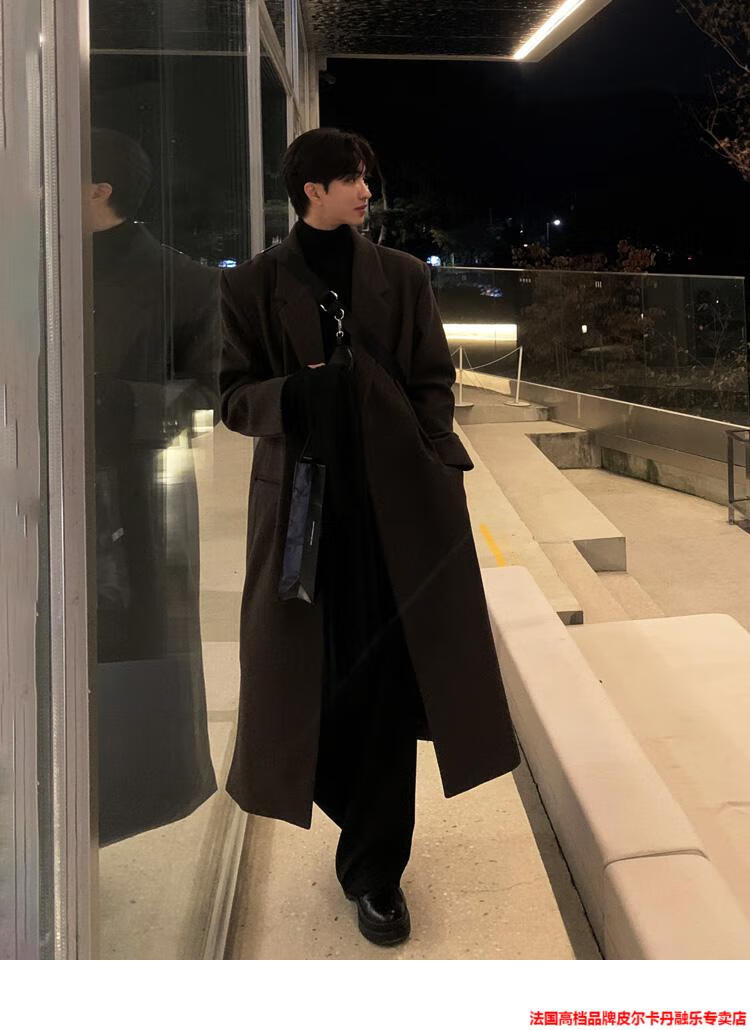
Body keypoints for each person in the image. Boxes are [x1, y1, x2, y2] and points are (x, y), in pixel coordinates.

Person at [219, 127, 520, 947]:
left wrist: (426, 451)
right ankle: (359, 821)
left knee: (387, 684)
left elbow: (434, 380)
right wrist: (297, 395)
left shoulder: (402, 276)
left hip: (400, 516)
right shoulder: (251, 284)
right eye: (350, 178)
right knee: (309, 686)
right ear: (310, 190)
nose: (364, 191)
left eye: (364, 177)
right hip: (303, 516)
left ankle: (377, 872)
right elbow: (233, 397)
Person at [89, 128, 219, 845]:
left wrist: (122, 403)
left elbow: (215, 391)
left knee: (130, 645)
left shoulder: (183, 280)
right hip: (31, 501)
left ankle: (126, 801)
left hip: (134, 501)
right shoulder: (28, 266)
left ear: (98, 190)